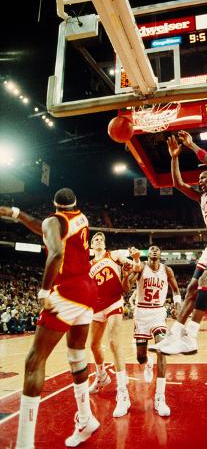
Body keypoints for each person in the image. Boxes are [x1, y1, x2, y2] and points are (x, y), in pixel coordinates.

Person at [0, 189, 99, 448]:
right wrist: (18, 214)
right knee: (76, 355)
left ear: (53, 206)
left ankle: (24, 443)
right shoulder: (82, 218)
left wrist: (44, 290)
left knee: (34, 361)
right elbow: (47, 228)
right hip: (88, 291)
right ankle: (87, 419)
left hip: (67, 292)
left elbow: (55, 252)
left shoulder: (53, 221)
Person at [151, 130, 207, 356]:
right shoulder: (201, 197)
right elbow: (178, 184)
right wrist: (174, 157)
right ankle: (175, 335)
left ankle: (191, 336)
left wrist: (191, 147)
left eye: (204, 178)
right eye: (199, 179)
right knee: (192, 287)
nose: (201, 181)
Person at [126, 245, 181, 416]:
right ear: (148, 254)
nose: (155, 250)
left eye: (157, 249)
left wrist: (178, 305)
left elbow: (176, 290)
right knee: (140, 357)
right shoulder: (141, 267)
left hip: (158, 312)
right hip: (141, 313)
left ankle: (160, 397)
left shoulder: (167, 270)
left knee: (161, 348)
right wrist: (131, 270)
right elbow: (128, 284)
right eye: (151, 249)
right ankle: (147, 363)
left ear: (160, 254)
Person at [88, 231, 131, 417]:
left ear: (104, 244)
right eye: (95, 239)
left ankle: (123, 393)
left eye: (101, 239)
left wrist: (131, 261)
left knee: (113, 343)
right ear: (91, 246)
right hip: (96, 307)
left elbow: (129, 260)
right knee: (93, 345)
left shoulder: (113, 255)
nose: (98, 240)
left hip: (114, 301)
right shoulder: (88, 265)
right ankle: (102, 376)